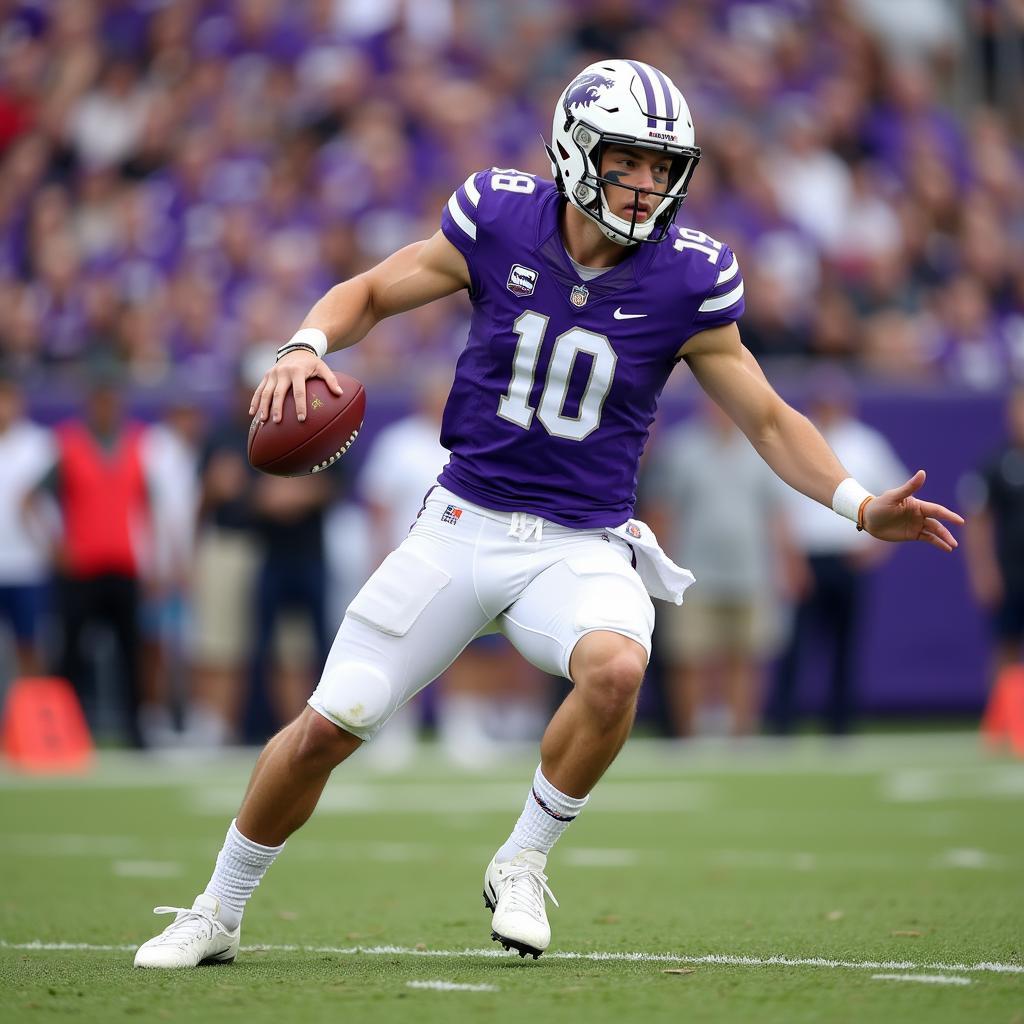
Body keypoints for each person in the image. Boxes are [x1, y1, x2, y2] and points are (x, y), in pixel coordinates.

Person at [134, 59, 963, 969]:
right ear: (575, 149)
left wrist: (853, 502)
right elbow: (371, 290)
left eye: (662, 166)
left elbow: (766, 414)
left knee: (616, 667)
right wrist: (302, 344)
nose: (647, 184)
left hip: (581, 542)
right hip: (461, 524)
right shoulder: (499, 216)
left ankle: (523, 856)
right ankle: (218, 908)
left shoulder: (689, 277)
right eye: (627, 161)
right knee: (330, 725)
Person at [643, 398, 798, 737]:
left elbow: (776, 514)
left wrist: (788, 564)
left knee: (746, 655)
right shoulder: (681, 449)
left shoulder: (761, 450)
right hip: (694, 573)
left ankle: (741, 736)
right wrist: (660, 569)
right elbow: (662, 511)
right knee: (688, 657)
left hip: (751, 572)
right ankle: (689, 737)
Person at [767, 369, 909, 736]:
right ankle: (783, 723)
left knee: (846, 645)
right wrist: (789, 560)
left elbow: (897, 495)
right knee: (793, 647)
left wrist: (875, 549)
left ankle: (840, 724)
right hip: (806, 557)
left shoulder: (866, 443)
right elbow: (777, 506)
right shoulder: (799, 440)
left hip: (848, 555)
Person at [961, 385, 1024, 681]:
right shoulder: (996, 464)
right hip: (1011, 573)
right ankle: (1003, 719)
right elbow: (978, 520)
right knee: (1006, 648)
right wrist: (984, 572)